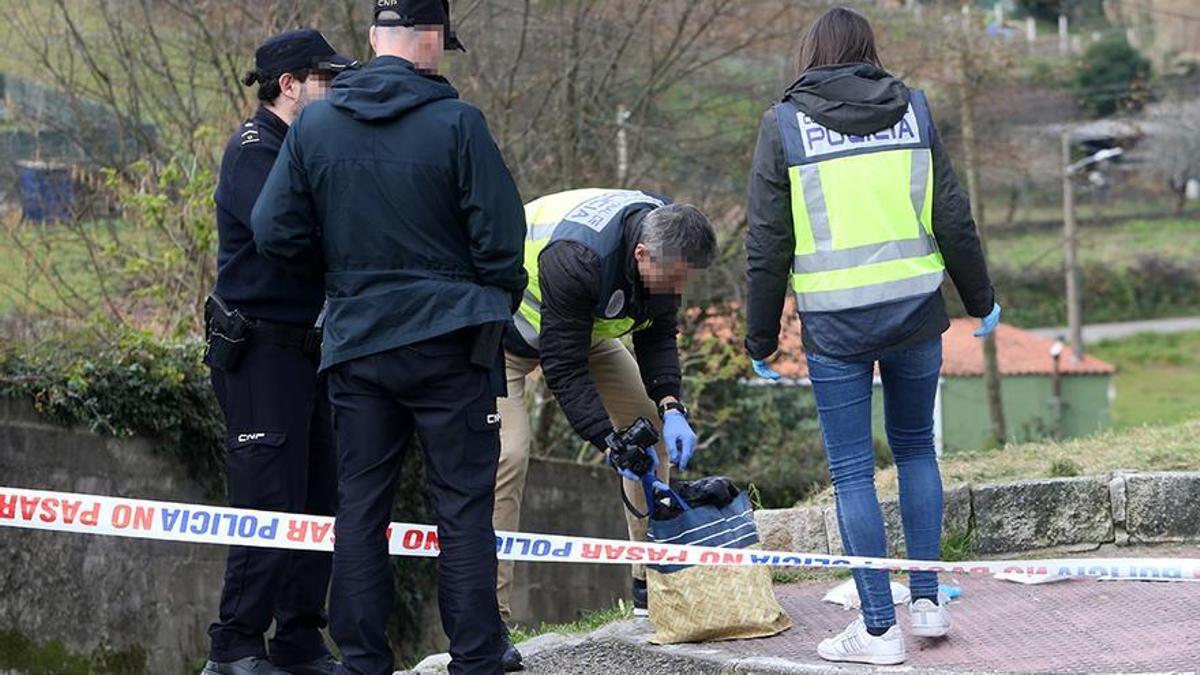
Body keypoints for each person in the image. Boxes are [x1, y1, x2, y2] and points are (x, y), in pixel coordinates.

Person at [250, 1, 526, 673]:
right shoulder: (459, 123)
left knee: (360, 506)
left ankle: (363, 660)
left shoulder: (315, 125)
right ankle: (477, 657)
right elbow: (502, 242)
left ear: (376, 39)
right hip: (451, 345)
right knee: (462, 507)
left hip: (359, 344)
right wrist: (485, 300)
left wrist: (345, 280)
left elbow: (273, 230)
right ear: (431, 41)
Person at [744, 6, 1001, 667]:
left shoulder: (784, 125)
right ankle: (926, 602)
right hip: (916, 313)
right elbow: (953, 215)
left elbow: (768, 243)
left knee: (853, 469)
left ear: (811, 55)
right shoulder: (913, 109)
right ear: (867, 51)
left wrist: (760, 336)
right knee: (917, 451)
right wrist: (981, 299)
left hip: (836, 324)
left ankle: (879, 630)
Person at [495, 189, 716, 668]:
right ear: (641, 255)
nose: (676, 289)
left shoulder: (665, 238)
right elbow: (562, 368)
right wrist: (607, 440)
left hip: (582, 330)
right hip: (506, 334)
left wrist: (671, 405)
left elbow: (657, 334)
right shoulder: (578, 258)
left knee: (651, 432)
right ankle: (492, 616)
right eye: (673, 279)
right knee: (506, 459)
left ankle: (649, 583)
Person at [201, 29, 356, 675]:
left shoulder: (302, 148)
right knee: (267, 501)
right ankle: (235, 643)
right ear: (289, 84)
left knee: (319, 498)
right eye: (327, 78)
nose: (337, 89)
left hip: (309, 351)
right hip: (262, 348)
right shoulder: (255, 150)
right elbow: (289, 236)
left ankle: (297, 636)